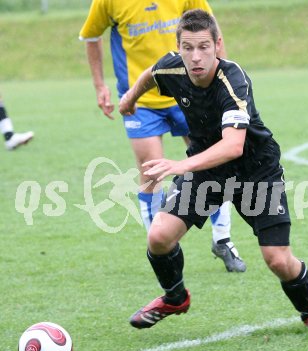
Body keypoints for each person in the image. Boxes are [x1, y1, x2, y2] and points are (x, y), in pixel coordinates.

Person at [119, 9, 308, 331]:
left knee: (277, 259)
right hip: (209, 172)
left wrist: (181, 165)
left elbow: (233, 145)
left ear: (218, 45)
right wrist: (130, 99)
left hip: (255, 171)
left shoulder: (232, 80)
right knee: (159, 237)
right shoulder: (172, 67)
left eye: (204, 46)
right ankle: (175, 297)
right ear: (178, 49)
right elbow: (150, 74)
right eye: (187, 48)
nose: (195, 57)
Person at [79, 0, 246, 273]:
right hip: (140, 99)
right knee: (151, 173)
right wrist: (100, 85)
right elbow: (91, 36)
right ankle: (161, 249)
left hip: (190, 92)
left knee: (214, 165)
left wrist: (220, 87)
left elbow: (211, 35)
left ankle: (223, 240)